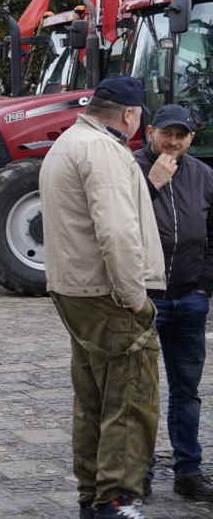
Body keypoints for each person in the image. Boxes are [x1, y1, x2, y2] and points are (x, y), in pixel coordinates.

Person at [39, 76, 165, 519]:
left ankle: (94, 499)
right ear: (129, 116)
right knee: (130, 399)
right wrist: (134, 297)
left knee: (93, 400)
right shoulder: (102, 150)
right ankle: (117, 501)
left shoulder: (69, 142)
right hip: (108, 293)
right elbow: (116, 230)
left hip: (76, 288)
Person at [134, 104, 213, 502]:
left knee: (187, 391)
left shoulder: (202, 174)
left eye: (181, 135)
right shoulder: (131, 169)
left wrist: (204, 286)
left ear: (190, 139)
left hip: (189, 300)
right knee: (140, 391)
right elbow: (119, 223)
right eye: (167, 133)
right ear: (150, 131)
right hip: (144, 300)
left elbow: (212, 234)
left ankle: (188, 473)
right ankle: (139, 473)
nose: (173, 141)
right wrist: (152, 183)